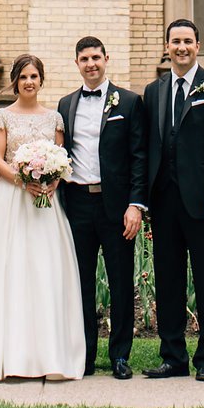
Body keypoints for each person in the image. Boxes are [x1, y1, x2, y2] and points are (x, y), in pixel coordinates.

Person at [0, 53, 89, 381]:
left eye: (34, 77)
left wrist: (51, 180)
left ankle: (48, 355)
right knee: (6, 271)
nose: (29, 82)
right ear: (15, 81)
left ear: (41, 81)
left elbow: (59, 157)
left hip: (45, 203)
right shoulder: (2, 117)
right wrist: (24, 182)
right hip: (11, 200)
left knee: (44, 272)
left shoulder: (54, 118)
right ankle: (0, 355)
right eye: (24, 76)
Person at [140, 18, 204, 381]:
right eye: (175, 41)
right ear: (166, 46)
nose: (181, 47)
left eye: (187, 41)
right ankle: (173, 356)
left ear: (198, 45)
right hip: (164, 201)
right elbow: (150, 145)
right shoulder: (155, 90)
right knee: (168, 280)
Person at [56, 36, 148, 379]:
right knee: (80, 282)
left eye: (96, 57)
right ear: (76, 63)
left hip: (117, 206)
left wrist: (135, 205)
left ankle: (120, 355)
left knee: (121, 281)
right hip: (77, 203)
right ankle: (85, 354)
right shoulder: (65, 105)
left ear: (106, 59)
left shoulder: (128, 102)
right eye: (84, 59)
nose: (91, 64)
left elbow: (139, 156)